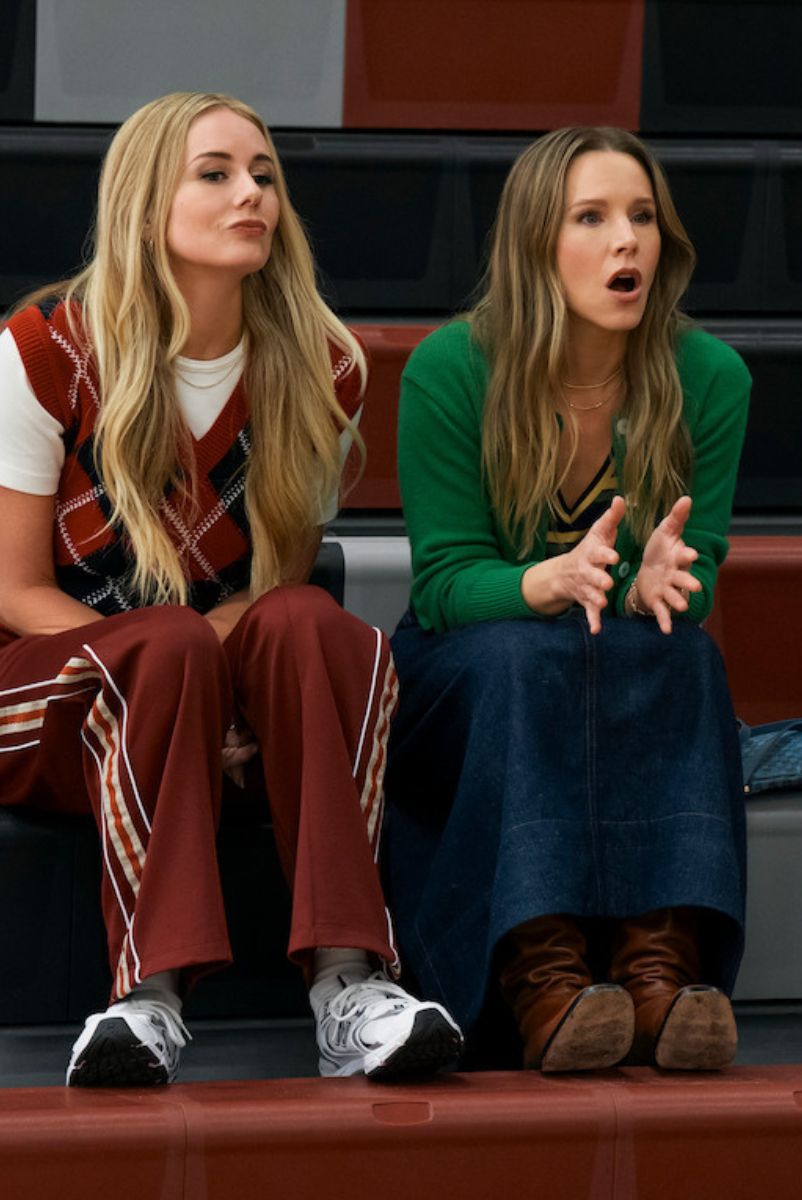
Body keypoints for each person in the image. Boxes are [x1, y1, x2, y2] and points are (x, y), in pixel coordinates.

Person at [0, 92, 462, 1086]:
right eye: (214, 173)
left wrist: (209, 672)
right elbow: (15, 589)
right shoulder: (43, 350)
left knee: (315, 623)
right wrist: (184, 669)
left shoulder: (321, 362)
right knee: (165, 646)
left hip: (200, 678)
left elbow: (274, 588)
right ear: (144, 200)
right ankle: (146, 997)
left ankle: (351, 984)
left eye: (263, 176)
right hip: (46, 693)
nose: (250, 193)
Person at [385, 127, 751, 1072]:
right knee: (526, 653)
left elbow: (692, 571)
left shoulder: (711, 378)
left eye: (641, 217)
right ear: (537, 244)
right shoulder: (451, 368)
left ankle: (659, 969)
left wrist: (661, 584)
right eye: (592, 217)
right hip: (463, 661)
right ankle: (539, 977)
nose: (626, 239)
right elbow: (444, 583)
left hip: (611, 648)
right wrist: (540, 582)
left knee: (684, 654)